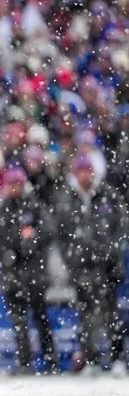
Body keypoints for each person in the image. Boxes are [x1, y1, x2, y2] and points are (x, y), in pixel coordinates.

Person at [54, 155, 127, 372]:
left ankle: (117, 360)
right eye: (81, 171)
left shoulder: (108, 195)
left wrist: (112, 250)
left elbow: (122, 226)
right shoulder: (68, 199)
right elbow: (61, 235)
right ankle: (92, 360)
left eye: (88, 170)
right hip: (82, 267)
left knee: (111, 314)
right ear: (76, 173)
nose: (85, 175)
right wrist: (73, 261)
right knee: (87, 316)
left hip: (107, 266)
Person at [0, 167, 58, 374]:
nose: (14, 188)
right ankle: (25, 362)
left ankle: (51, 360)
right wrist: (9, 251)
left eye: (17, 184)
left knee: (41, 319)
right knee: (19, 323)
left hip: (34, 274)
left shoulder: (34, 206)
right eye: (11, 184)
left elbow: (49, 230)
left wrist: (31, 243)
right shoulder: (0, 210)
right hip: (12, 275)